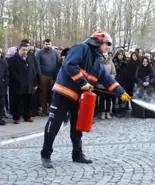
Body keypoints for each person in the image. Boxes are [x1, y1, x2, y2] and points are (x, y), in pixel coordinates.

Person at [40, 30, 131, 169]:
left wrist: (121, 92)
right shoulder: (81, 48)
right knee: (54, 125)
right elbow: (70, 65)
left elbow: (106, 79)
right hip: (63, 94)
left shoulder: (98, 61)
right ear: (98, 41)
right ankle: (46, 155)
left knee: (77, 127)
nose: (107, 47)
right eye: (106, 44)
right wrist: (83, 82)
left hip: (78, 98)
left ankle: (77, 154)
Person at [7, 43, 38, 124]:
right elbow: (13, 73)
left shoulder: (29, 58)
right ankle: (16, 117)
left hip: (29, 84)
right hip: (18, 85)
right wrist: (20, 81)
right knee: (17, 102)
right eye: (23, 50)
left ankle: (27, 116)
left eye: (26, 50)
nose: (25, 51)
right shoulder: (13, 59)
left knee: (28, 101)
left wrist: (35, 83)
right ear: (19, 49)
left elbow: (32, 71)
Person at [0, 58, 8, 125]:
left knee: (1, 103)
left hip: (1, 87)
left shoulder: (3, 62)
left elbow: (6, 74)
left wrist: (5, 83)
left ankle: (0, 118)